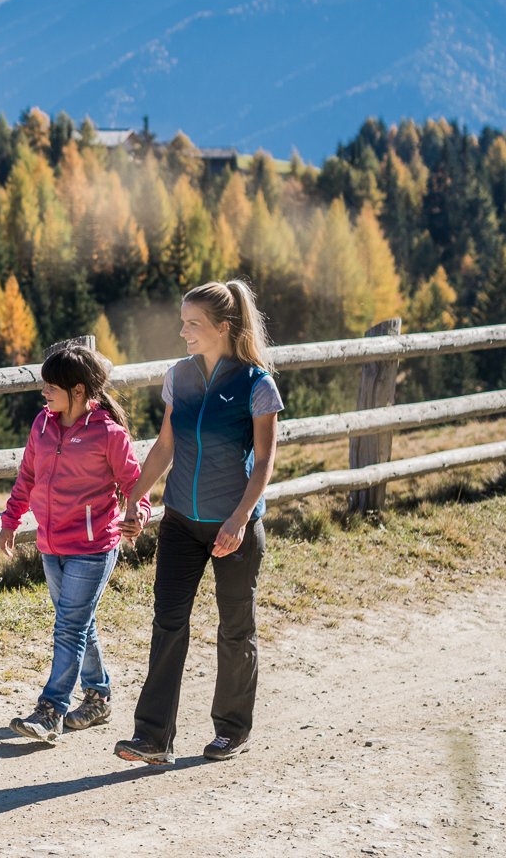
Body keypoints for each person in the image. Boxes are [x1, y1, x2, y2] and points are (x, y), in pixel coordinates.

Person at [114, 280, 283, 766]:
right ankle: (152, 737)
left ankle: (232, 730)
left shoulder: (256, 384)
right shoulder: (179, 376)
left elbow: (266, 461)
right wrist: (135, 497)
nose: (183, 332)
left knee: (235, 628)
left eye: (193, 324)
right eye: (182, 322)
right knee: (168, 622)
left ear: (223, 327)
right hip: (181, 523)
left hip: (234, 526)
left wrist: (239, 519)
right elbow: (165, 445)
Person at [0, 341, 147, 744]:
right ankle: (98, 696)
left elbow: (135, 484)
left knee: (69, 626)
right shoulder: (42, 425)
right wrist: (10, 520)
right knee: (80, 623)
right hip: (51, 545)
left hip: (94, 547)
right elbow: (27, 476)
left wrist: (137, 514)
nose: (44, 392)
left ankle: (51, 711)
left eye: (52, 386)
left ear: (78, 390)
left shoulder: (108, 434)